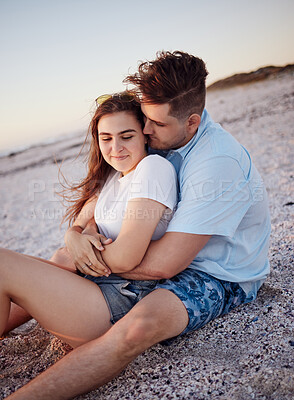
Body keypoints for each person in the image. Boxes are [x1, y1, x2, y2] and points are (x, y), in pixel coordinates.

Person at [3, 51, 270, 400]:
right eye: (144, 118)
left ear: (192, 122)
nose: (144, 130)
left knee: (137, 328)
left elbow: (164, 264)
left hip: (220, 272)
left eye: (154, 125)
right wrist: (74, 238)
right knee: (57, 261)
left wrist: (81, 260)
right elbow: (96, 206)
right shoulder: (158, 141)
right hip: (161, 260)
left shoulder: (215, 162)